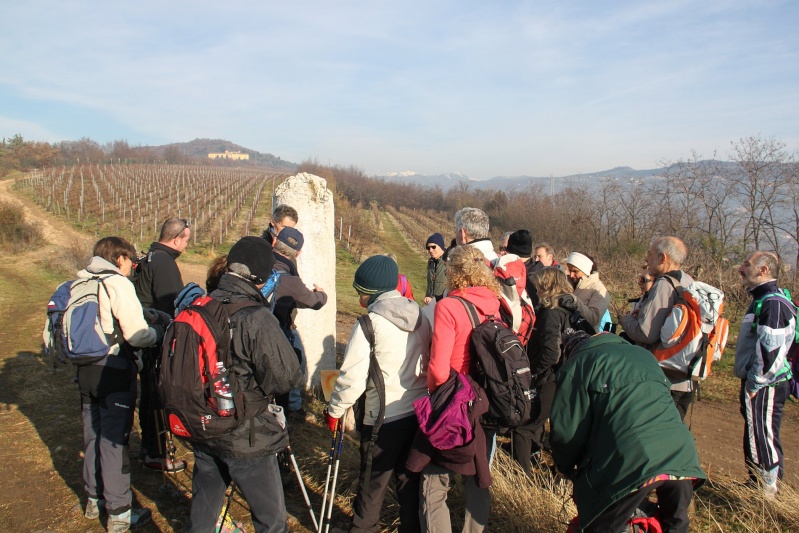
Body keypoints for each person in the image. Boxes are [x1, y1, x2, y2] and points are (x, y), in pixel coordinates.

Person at [189, 236, 303, 533]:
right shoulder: (256, 317)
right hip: (246, 433)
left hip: (202, 424)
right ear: (261, 277)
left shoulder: (200, 305)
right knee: (271, 520)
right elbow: (287, 377)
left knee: (204, 508)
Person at [551, 332, 705, 533]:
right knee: (675, 525)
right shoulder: (643, 355)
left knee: (603, 527)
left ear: (569, 351)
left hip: (632, 459)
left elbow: (567, 432)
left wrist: (564, 466)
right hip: (680, 455)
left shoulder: (577, 364)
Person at [324, 255, 431, 532]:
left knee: (371, 489)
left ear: (369, 293)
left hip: (382, 420)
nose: (359, 298)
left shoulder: (369, 325)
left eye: (361, 293)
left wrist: (334, 411)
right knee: (409, 487)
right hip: (418, 415)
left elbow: (351, 379)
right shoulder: (421, 316)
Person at [71, 237, 164, 531]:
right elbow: (136, 335)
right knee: (114, 442)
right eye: (130, 260)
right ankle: (120, 512)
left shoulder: (80, 282)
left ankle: (93, 499)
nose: (133, 265)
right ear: (120, 257)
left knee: (92, 435)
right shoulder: (117, 283)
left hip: (85, 370)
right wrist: (158, 335)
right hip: (113, 371)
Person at [407, 245, 501, 533]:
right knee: (476, 475)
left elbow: (438, 366)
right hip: (483, 399)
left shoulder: (449, 306)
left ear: (455, 273)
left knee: (433, 484)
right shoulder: (494, 304)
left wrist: (436, 395)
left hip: (454, 397)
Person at [735, 250, 794, 497]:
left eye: (747, 265)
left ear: (764, 270)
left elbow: (771, 351)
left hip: (766, 385)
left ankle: (768, 495)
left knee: (763, 433)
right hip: (762, 383)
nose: (741, 268)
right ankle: (757, 483)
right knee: (757, 431)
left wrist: (754, 382)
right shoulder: (764, 299)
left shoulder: (772, 302)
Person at [133, 217, 190, 472]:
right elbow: (171, 305)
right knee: (156, 395)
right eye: (186, 240)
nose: (187, 245)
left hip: (146, 334)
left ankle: (149, 447)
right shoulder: (165, 262)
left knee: (148, 392)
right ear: (176, 239)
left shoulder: (152, 257)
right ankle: (156, 452)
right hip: (156, 338)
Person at [619, 237, 696, 419]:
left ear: (663, 258)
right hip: (684, 376)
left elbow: (645, 333)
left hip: (662, 378)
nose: (647, 259)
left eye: (650, 254)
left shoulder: (664, 284)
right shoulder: (688, 281)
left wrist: (625, 320)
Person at [512, 267, 575, 476]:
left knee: (523, 428)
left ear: (546, 287)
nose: (535, 290)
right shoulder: (572, 310)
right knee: (551, 429)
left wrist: (532, 372)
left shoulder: (551, 314)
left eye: (538, 286)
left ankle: (523, 476)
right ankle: (551, 469)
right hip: (568, 378)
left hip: (550, 379)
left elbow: (550, 353)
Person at [272, 227, 328, 418]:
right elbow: (315, 301)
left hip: (253, 328)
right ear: (298, 253)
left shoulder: (260, 264)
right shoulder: (291, 281)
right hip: (279, 331)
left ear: (274, 243)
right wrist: (321, 293)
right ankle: (290, 411)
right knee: (295, 365)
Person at [564, 251, 610, 332]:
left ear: (585, 270)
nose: (571, 275)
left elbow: (593, 319)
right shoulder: (569, 283)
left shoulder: (599, 290)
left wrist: (574, 301)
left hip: (585, 339)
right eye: (570, 270)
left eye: (575, 271)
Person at [424, 232, 447, 304]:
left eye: (433, 247)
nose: (430, 250)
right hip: (431, 304)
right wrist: (428, 296)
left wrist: (436, 300)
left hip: (444, 304)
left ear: (441, 246)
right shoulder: (430, 262)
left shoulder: (449, 263)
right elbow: (430, 284)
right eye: (428, 248)